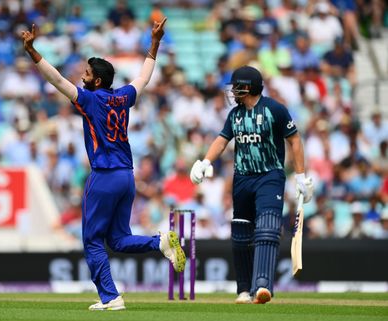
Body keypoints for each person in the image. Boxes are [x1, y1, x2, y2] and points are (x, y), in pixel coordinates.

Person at [21, 18, 185, 311]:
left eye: (86, 73)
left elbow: (57, 81)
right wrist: (155, 43)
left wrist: (33, 52)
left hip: (104, 176)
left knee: (92, 240)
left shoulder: (91, 99)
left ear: (97, 80)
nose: (82, 76)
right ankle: (159, 243)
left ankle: (111, 297)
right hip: (127, 176)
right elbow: (144, 78)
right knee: (119, 239)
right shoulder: (122, 97)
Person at [189, 65, 314, 304]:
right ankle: (243, 290)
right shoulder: (234, 115)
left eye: (237, 86)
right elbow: (222, 140)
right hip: (242, 178)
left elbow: (295, 141)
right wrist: (205, 161)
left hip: (270, 176)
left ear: (249, 87)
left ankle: (262, 285)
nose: (233, 91)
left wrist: (300, 175)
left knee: (267, 227)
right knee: (240, 234)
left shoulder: (275, 109)